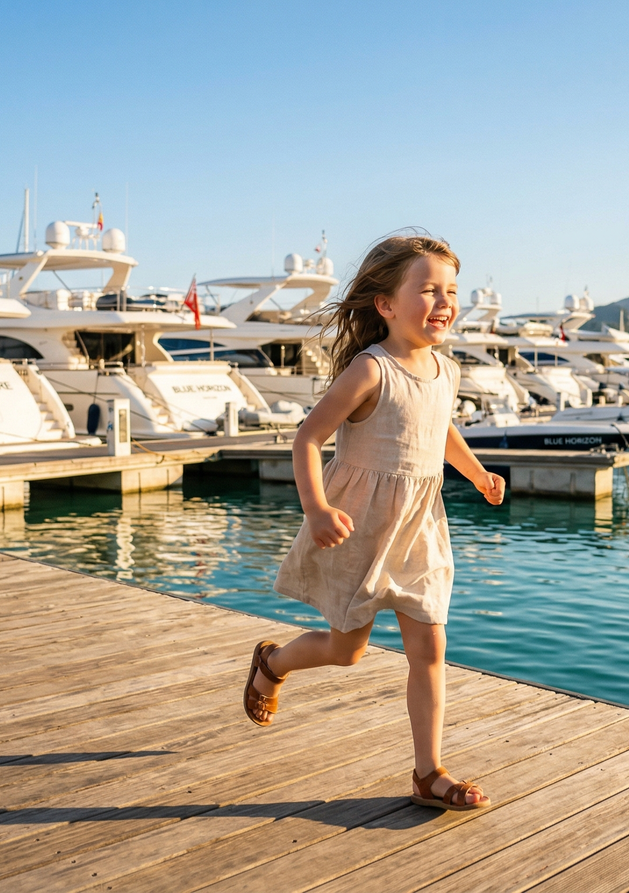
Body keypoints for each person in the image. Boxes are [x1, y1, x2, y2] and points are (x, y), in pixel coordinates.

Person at [242, 233, 505, 811]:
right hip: (358, 525)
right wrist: (315, 508)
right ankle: (272, 662)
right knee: (347, 650)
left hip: (420, 531)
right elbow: (309, 438)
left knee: (430, 649)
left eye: (451, 291)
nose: (444, 301)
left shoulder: (447, 371)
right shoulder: (371, 369)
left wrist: (479, 474)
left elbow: (441, 432)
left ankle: (428, 772)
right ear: (385, 304)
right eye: (428, 289)